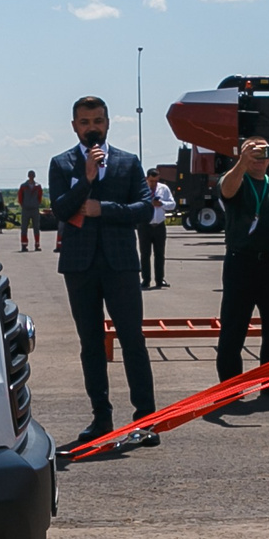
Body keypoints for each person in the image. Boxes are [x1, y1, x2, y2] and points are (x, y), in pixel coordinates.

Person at [50, 95, 158, 448]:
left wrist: (103, 208)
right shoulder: (62, 163)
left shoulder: (128, 162)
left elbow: (144, 208)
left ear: (108, 122)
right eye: (84, 122)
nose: (91, 128)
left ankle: (146, 418)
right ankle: (101, 417)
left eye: (97, 121)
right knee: (91, 344)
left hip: (121, 264)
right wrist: (86, 179)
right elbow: (62, 210)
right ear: (74, 126)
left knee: (133, 341)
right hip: (80, 266)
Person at [212, 134, 269, 401]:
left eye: (264, 152)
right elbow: (226, 190)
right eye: (254, 152)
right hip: (241, 262)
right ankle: (230, 387)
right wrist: (241, 163)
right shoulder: (236, 179)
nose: (259, 158)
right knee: (234, 326)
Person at [141, 174, 174, 288]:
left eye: (156, 181)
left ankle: (160, 279)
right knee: (145, 254)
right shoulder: (141, 188)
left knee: (160, 254)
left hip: (159, 225)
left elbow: (172, 204)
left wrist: (162, 204)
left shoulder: (163, 189)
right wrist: (148, 203)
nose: (153, 184)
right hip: (145, 225)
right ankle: (146, 280)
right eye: (151, 181)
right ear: (147, 179)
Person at [16, 169, 45, 252]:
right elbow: (20, 197)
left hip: (35, 209)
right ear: (28, 176)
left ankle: (37, 245)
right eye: (30, 175)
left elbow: (40, 197)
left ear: (34, 176)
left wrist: (36, 204)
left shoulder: (38, 186)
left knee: (36, 227)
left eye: (33, 175)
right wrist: (24, 205)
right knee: (24, 228)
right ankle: (24, 245)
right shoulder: (23, 186)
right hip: (26, 209)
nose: (31, 176)